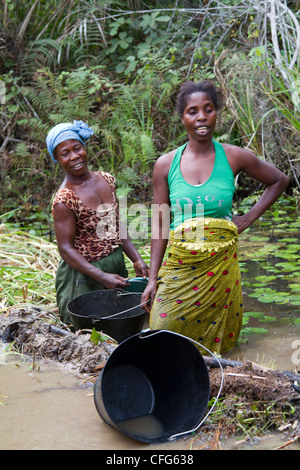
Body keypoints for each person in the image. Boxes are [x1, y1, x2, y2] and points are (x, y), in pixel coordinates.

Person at [141, 80, 289, 355]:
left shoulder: (233, 156)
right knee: (162, 323)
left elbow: (279, 181)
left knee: (219, 336)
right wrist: (152, 278)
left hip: (220, 265)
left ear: (216, 112)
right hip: (180, 263)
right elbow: (160, 222)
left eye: (208, 109)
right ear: (182, 117)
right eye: (193, 111)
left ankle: (214, 378)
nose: (201, 117)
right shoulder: (165, 164)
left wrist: (247, 219)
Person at [47, 120, 149, 324]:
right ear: (57, 160)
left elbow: (117, 224)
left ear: (84, 147)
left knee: (120, 322)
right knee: (86, 332)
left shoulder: (106, 180)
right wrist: (101, 276)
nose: (74, 156)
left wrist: (136, 258)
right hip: (84, 274)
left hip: (115, 263)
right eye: (65, 153)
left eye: (77, 148)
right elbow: (65, 249)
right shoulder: (64, 200)